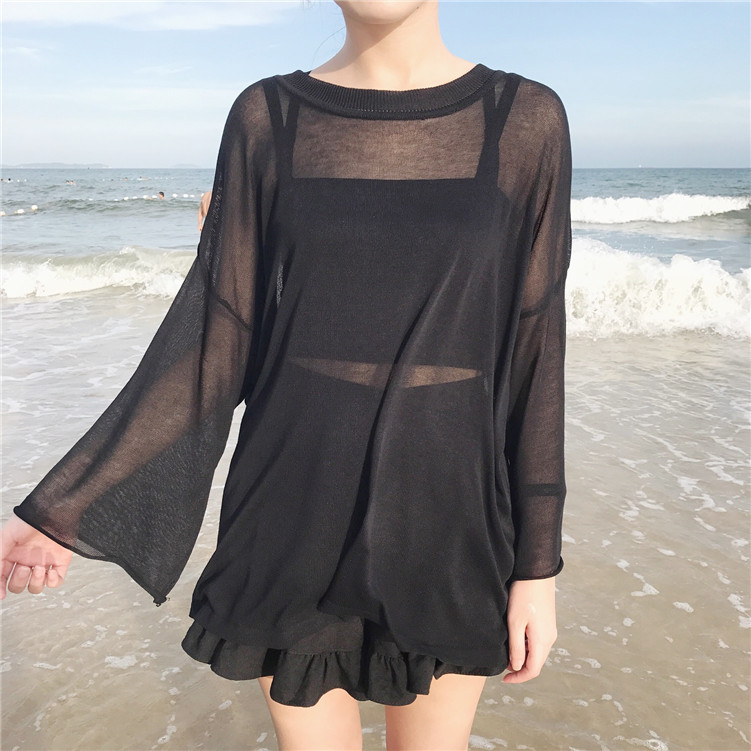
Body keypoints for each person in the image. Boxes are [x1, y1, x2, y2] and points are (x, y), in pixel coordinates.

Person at [0, 1, 572, 748]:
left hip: (446, 512)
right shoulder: (267, 116)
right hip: (291, 503)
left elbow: (535, 352)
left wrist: (537, 568)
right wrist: (64, 507)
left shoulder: (524, 119)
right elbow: (215, 344)